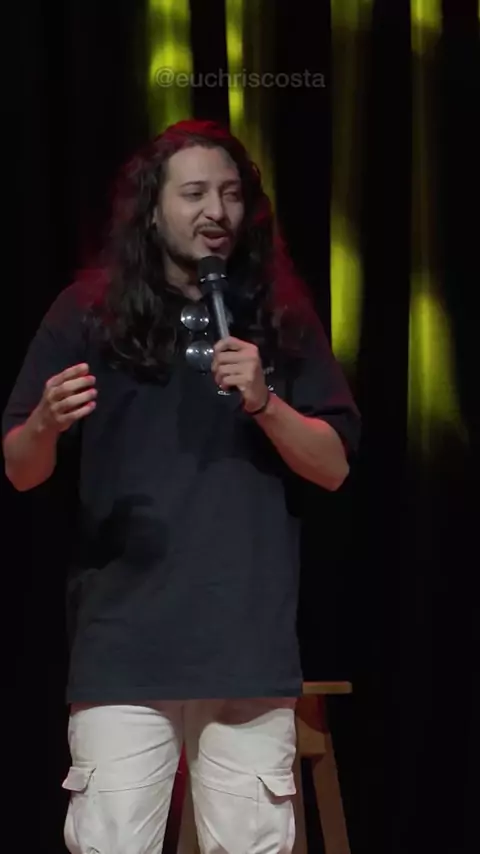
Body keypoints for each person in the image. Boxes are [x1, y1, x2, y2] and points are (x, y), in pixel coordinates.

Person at [2, 119, 360, 854]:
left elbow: (333, 466)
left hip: (245, 642)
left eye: (230, 194)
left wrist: (264, 402)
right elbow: (19, 467)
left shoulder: (277, 317)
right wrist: (44, 423)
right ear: (152, 208)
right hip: (124, 643)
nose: (215, 212)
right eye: (194, 193)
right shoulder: (85, 313)